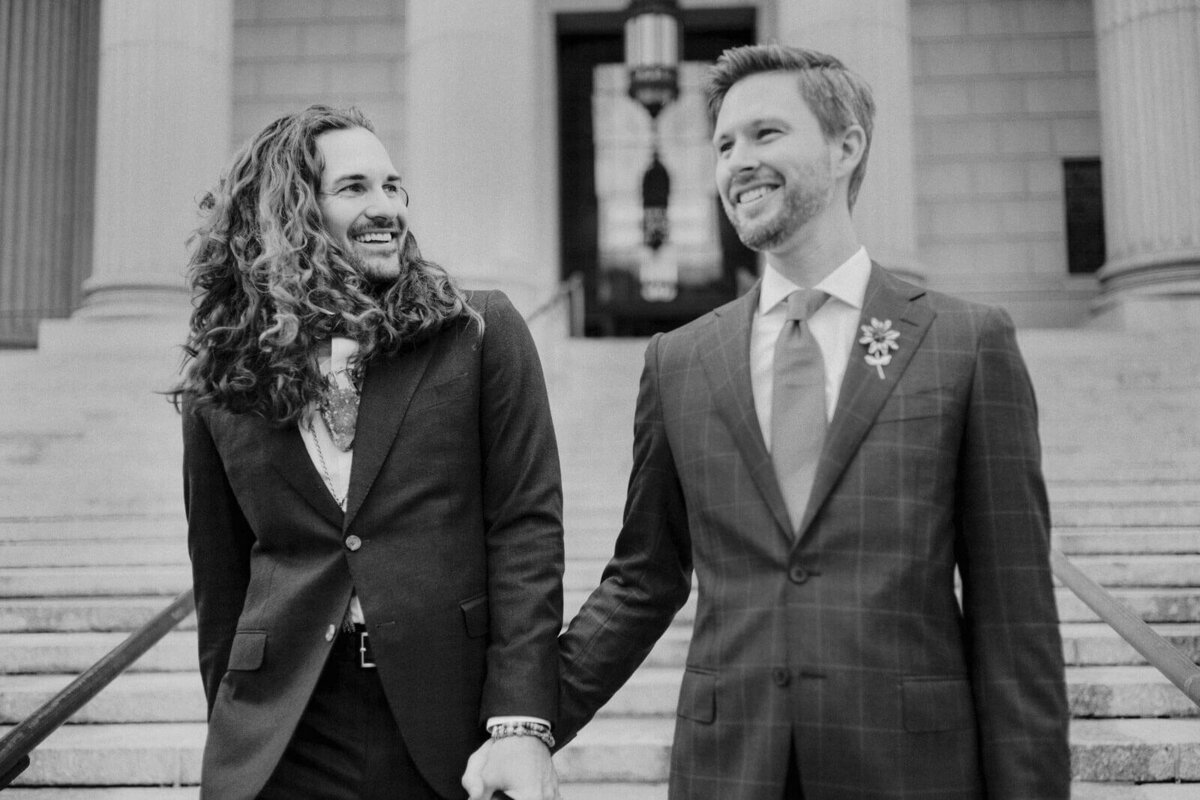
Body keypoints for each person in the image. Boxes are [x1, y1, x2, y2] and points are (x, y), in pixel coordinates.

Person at [467, 44, 1070, 800]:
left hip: (913, 768)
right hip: (729, 770)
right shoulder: (679, 361)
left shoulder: (966, 344)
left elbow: (1014, 615)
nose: (736, 162)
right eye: (722, 144)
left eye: (765, 135)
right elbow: (643, 581)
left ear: (846, 145)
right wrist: (526, 721)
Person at [177, 105, 562, 800]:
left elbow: (526, 530)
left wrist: (520, 719)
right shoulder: (223, 379)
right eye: (355, 188)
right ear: (288, 209)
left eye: (394, 187)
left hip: (443, 724)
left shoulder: (478, 332)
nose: (387, 208)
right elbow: (220, 574)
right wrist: (234, 738)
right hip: (281, 734)